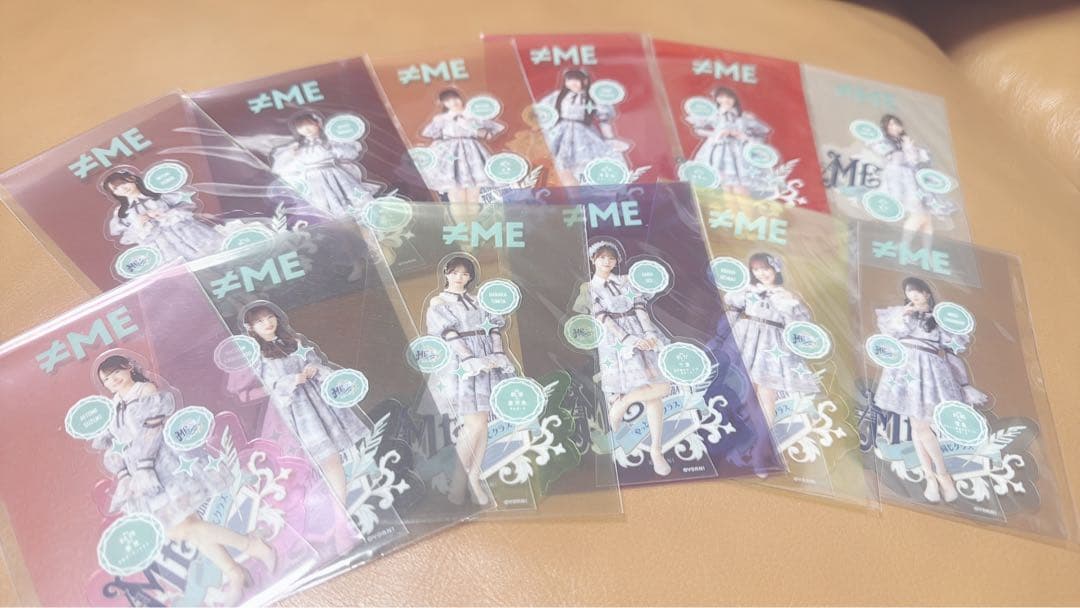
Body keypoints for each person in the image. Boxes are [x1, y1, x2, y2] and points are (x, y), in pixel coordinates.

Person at [93, 355, 275, 605]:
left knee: (184, 528)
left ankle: (251, 548)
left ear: (128, 368)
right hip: (140, 474)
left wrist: (142, 465)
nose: (112, 381)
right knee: (185, 529)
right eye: (106, 380)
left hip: (163, 466)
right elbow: (118, 441)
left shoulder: (145, 390)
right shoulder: (115, 404)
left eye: (115, 373)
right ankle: (235, 571)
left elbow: (152, 430)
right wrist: (121, 465)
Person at [873, 277, 988, 503]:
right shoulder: (904, 314)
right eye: (909, 292)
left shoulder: (940, 318)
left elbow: (952, 351)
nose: (912, 296)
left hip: (929, 371)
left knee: (921, 427)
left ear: (927, 293)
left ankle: (940, 476)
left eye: (916, 291)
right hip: (905, 370)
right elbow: (889, 335)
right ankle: (934, 478)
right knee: (918, 426)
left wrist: (964, 383)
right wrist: (904, 315)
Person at [243, 302, 368, 510]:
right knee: (312, 461)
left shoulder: (295, 341)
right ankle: (325, 510)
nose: (267, 323)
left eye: (270, 317)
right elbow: (268, 385)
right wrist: (291, 380)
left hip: (318, 403)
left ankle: (340, 509)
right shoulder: (259, 355)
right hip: (295, 410)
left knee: (332, 457)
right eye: (259, 321)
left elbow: (316, 362)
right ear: (251, 328)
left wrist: (313, 368)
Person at [424, 255, 515, 505]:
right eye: (454, 272)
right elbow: (447, 333)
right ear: (446, 273)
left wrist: (497, 354)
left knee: (482, 423)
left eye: (464, 274)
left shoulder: (478, 300)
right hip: (462, 363)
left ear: (470, 277)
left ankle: (474, 479)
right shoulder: (439, 301)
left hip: (487, 359)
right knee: (473, 424)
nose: (459, 277)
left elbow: (493, 328)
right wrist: (469, 359)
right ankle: (459, 482)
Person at [587, 240, 673, 476]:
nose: (607, 261)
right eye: (602, 257)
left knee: (660, 388)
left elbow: (639, 307)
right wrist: (629, 340)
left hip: (641, 332)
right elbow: (603, 317)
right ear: (594, 259)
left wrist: (649, 334)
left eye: (611, 258)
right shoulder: (590, 288)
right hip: (617, 342)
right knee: (653, 393)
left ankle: (624, 407)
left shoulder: (626, 281)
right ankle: (650, 448)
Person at [722, 253, 821, 428]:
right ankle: (745, 427)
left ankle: (766, 431)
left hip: (772, 343)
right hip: (748, 339)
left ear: (775, 269)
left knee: (766, 390)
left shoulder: (786, 296)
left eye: (766, 268)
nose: (761, 273)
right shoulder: (749, 290)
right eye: (756, 269)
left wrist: (786, 304)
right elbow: (732, 308)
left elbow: (798, 323)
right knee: (745, 387)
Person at [268, 112, 382, 217]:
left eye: (309, 125)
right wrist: (292, 154)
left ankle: (364, 219)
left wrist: (333, 147)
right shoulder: (296, 147)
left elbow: (351, 154)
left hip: (334, 174)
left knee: (350, 197)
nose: (306, 129)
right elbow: (284, 168)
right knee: (323, 205)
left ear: (318, 124)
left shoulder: (329, 141)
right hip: (313, 179)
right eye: (301, 127)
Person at [103, 169, 223, 262]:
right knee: (184, 267)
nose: (122, 189)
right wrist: (138, 224)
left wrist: (166, 214)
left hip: (187, 233)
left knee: (214, 254)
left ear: (132, 179)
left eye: (123, 183)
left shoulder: (158, 195)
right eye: (116, 189)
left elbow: (187, 205)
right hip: (162, 245)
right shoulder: (123, 212)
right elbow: (126, 236)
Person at [540, 69, 623, 185]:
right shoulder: (558, 96)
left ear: (585, 81)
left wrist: (609, 138)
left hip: (583, 132)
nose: (573, 83)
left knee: (585, 160)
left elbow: (604, 119)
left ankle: (585, 183)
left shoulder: (591, 97)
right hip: (561, 131)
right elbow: (543, 111)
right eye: (569, 80)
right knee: (559, 161)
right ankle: (567, 184)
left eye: (576, 80)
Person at [688, 86, 771, 196]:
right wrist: (716, 134)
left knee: (741, 188)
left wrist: (744, 137)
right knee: (725, 186)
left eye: (729, 97)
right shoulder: (715, 116)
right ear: (717, 99)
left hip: (740, 153)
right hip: (719, 152)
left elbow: (763, 131)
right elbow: (699, 129)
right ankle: (727, 206)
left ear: (735, 99)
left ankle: (744, 206)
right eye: (722, 97)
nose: (726, 100)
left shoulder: (744, 117)